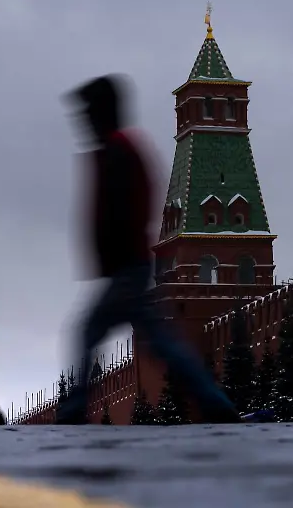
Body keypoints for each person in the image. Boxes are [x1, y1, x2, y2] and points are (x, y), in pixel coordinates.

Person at [56, 75, 239, 425]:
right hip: (129, 265)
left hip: (127, 266)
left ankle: (74, 411)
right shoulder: (117, 147)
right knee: (161, 341)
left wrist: (116, 253)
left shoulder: (119, 149)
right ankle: (214, 402)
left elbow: (127, 208)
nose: (82, 122)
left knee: (91, 332)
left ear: (101, 113)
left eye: (87, 114)